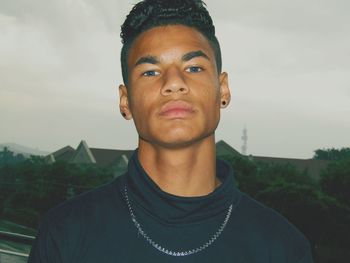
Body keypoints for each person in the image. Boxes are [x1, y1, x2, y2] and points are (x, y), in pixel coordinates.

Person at [28, 0, 313, 262]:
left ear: (222, 89)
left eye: (193, 67)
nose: (174, 82)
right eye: (150, 72)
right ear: (125, 102)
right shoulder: (65, 232)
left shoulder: (283, 247)